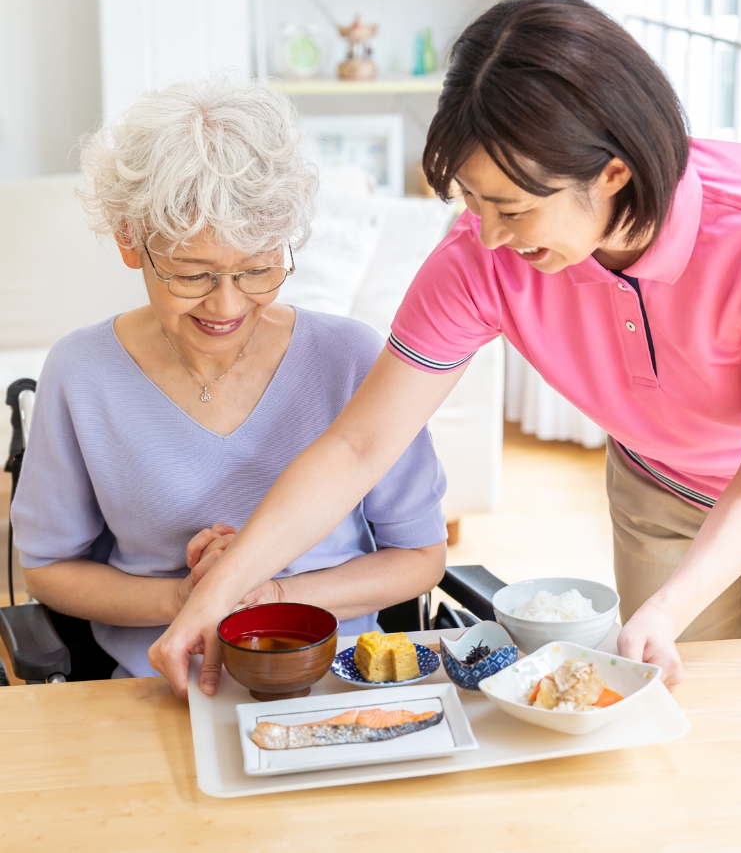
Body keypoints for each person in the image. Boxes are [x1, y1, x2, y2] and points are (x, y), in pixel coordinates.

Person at [151, 0, 741, 698]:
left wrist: (666, 609)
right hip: (660, 485)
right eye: (472, 202)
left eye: (511, 208)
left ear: (613, 172)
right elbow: (359, 447)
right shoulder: (482, 256)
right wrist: (213, 596)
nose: (488, 237)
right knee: (683, 716)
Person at [10, 79, 447, 679]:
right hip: (158, 691)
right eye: (192, 276)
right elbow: (48, 568)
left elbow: (421, 556)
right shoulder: (81, 371)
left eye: (257, 271)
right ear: (130, 243)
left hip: (338, 682)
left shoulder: (348, 357)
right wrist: (182, 601)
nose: (226, 307)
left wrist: (264, 596)